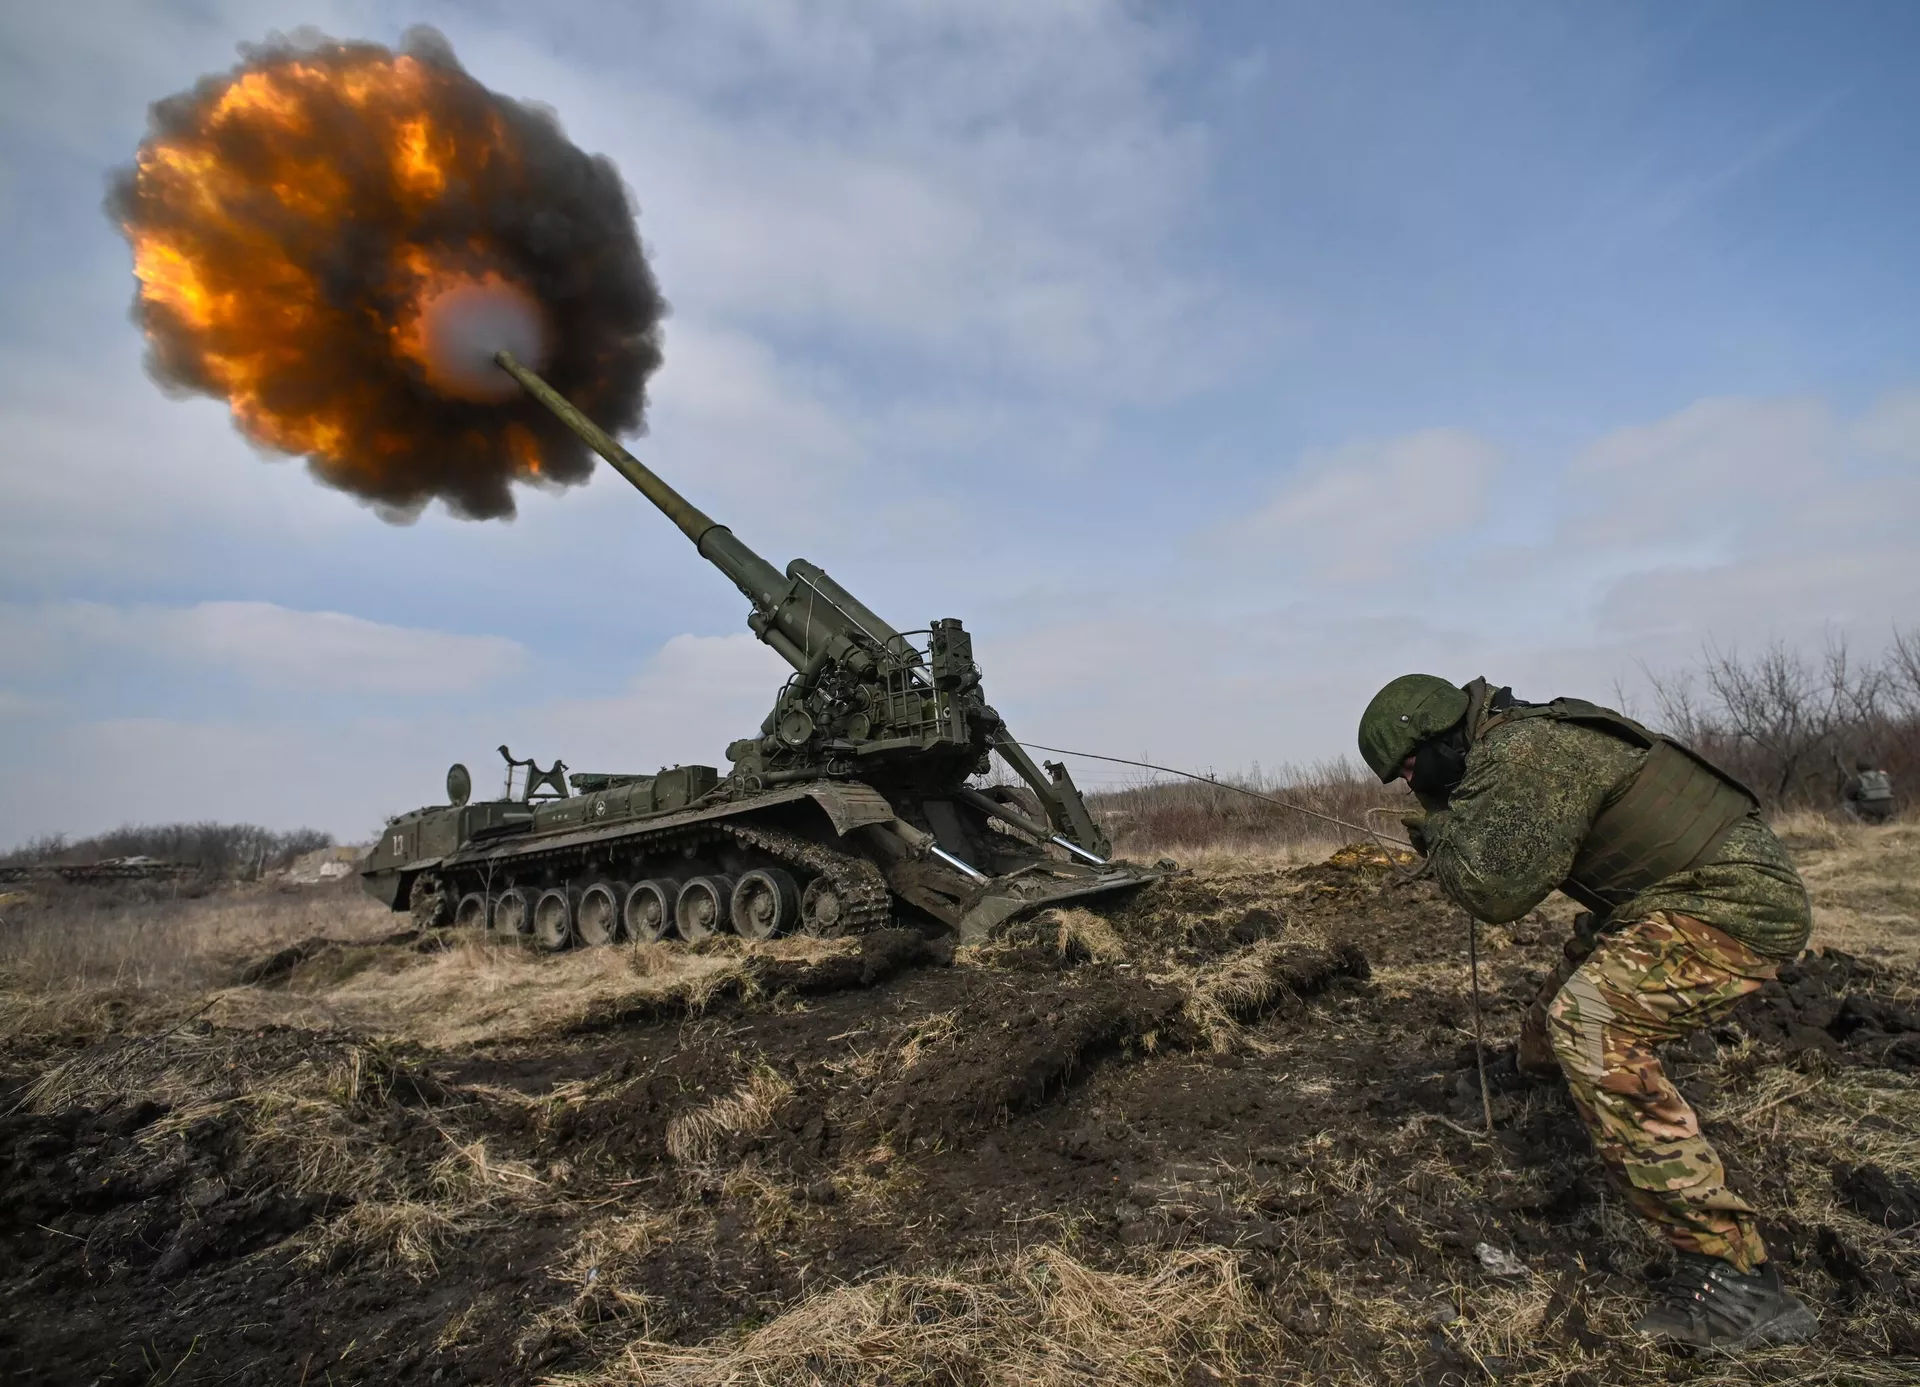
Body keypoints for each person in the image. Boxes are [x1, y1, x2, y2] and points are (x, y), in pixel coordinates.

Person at [1358, 674, 1817, 1353]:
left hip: (1733, 906)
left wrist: (1437, 831)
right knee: (1563, 1013)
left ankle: (1735, 1273)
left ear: (1438, 737)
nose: (1409, 782)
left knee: (1592, 1021)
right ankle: (1556, 1101)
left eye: (1409, 768)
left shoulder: (1525, 752)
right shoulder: (1504, 746)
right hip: (1669, 899)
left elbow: (1495, 887)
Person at [1841, 758, 1895, 824]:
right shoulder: (1883, 777)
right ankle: (1887, 819)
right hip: (1886, 807)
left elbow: (1849, 796)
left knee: (1846, 805)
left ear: (1858, 769)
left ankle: (1861, 824)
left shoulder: (1857, 780)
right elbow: (1891, 787)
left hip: (1868, 810)